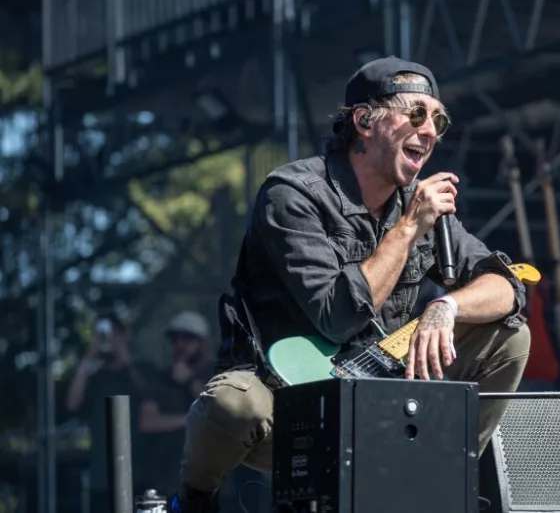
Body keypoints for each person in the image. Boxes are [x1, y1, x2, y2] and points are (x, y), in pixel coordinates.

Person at [171, 56, 531, 512]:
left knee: (510, 336)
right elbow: (338, 316)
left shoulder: (416, 205)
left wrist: (447, 307)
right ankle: (192, 501)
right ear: (364, 120)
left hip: (383, 400)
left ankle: (434, 482)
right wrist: (407, 229)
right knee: (233, 403)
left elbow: (506, 286)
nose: (430, 131)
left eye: (438, 120)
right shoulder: (294, 194)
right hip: (287, 405)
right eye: (416, 114)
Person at [65, 315, 148, 512]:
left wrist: (124, 358)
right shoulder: (95, 378)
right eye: (101, 335)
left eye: (112, 334)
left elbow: (150, 397)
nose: (107, 340)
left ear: (124, 335)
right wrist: (87, 359)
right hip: (102, 478)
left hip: (138, 476)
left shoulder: (141, 370)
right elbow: (72, 403)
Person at [139, 311, 214, 498]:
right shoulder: (160, 379)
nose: (180, 345)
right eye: (175, 339)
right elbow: (147, 422)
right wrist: (190, 419)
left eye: (188, 339)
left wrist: (190, 381)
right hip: (164, 478)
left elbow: (216, 412)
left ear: (202, 343)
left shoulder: (217, 374)